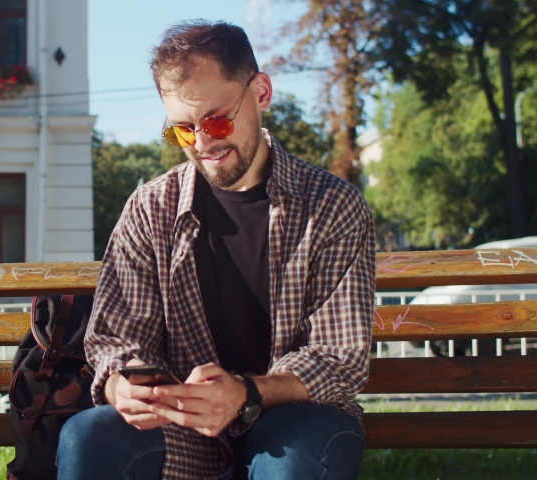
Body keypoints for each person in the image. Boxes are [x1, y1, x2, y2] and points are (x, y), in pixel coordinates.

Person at [57, 20, 375, 480]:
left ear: (261, 92)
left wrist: (246, 392)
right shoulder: (149, 210)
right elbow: (116, 340)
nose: (203, 143)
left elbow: (338, 356)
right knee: (87, 437)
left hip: (300, 417)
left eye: (217, 119)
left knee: (292, 464)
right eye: (183, 131)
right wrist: (121, 387)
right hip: (184, 429)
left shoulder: (332, 206)